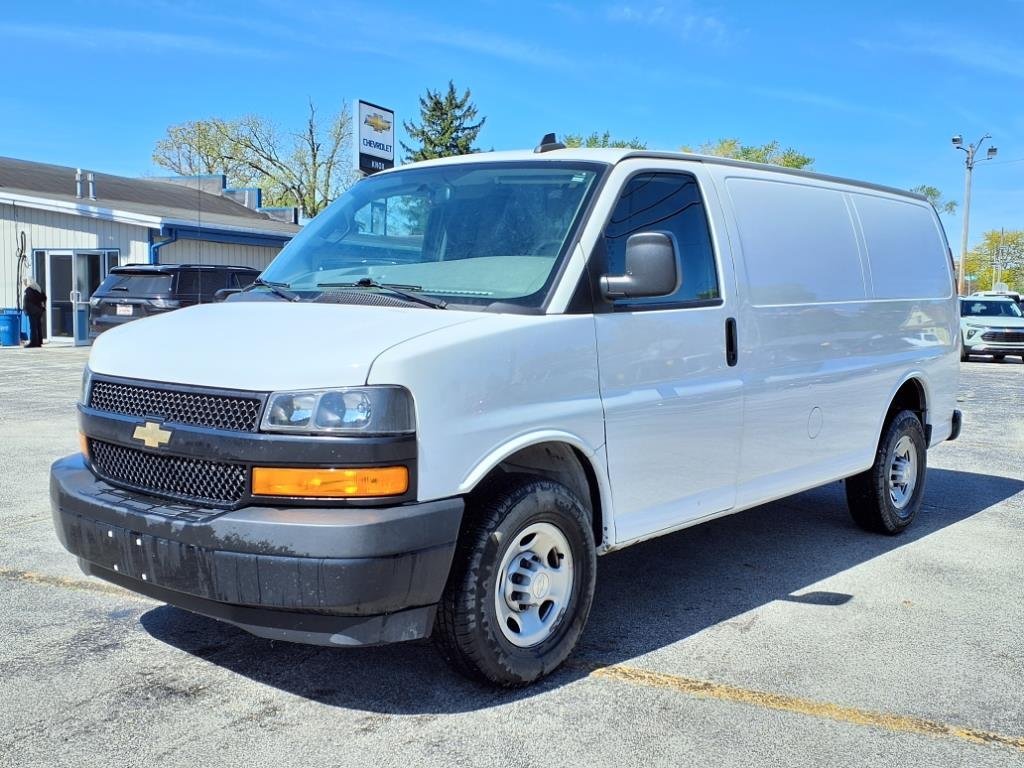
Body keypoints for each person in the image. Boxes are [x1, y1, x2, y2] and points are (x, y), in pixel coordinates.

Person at [22, 277, 46, 348]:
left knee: (33, 327)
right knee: (38, 327)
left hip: (32, 311)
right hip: (39, 311)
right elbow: (44, 298)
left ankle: (33, 342)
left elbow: (27, 301)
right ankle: (39, 342)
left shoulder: (29, 290)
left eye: (25, 282)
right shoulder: (38, 289)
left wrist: (25, 310)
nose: (24, 283)